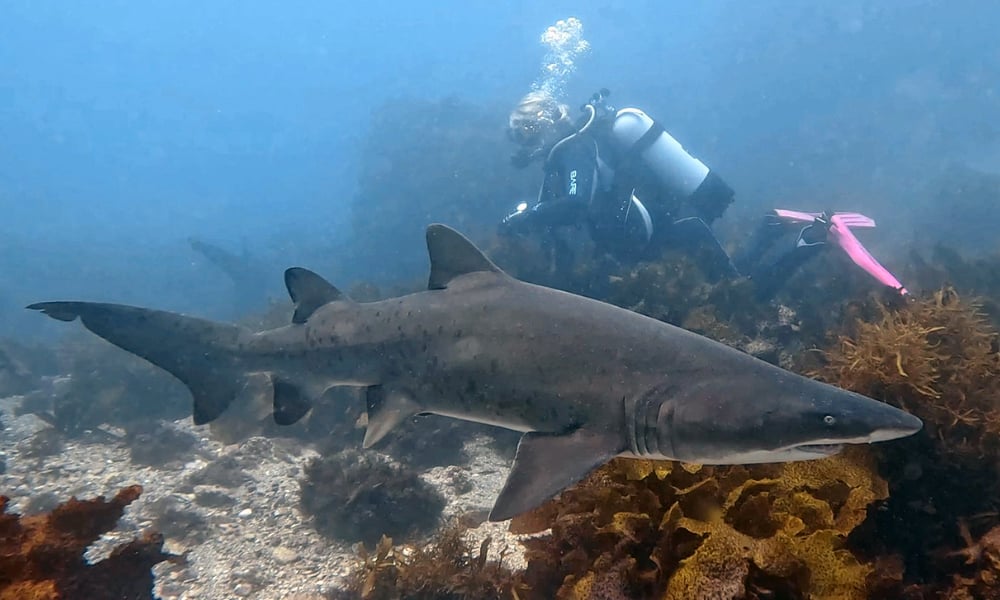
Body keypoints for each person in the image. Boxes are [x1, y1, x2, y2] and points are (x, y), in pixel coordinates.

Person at [499, 89, 739, 281]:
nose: (521, 145)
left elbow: (576, 202)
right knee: (740, 284)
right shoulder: (570, 150)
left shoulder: (573, 149)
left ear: (538, 127)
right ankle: (772, 228)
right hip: (652, 234)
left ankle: (773, 225)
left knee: (744, 288)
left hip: (657, 235)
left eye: (520, 135)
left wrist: (527, 217)